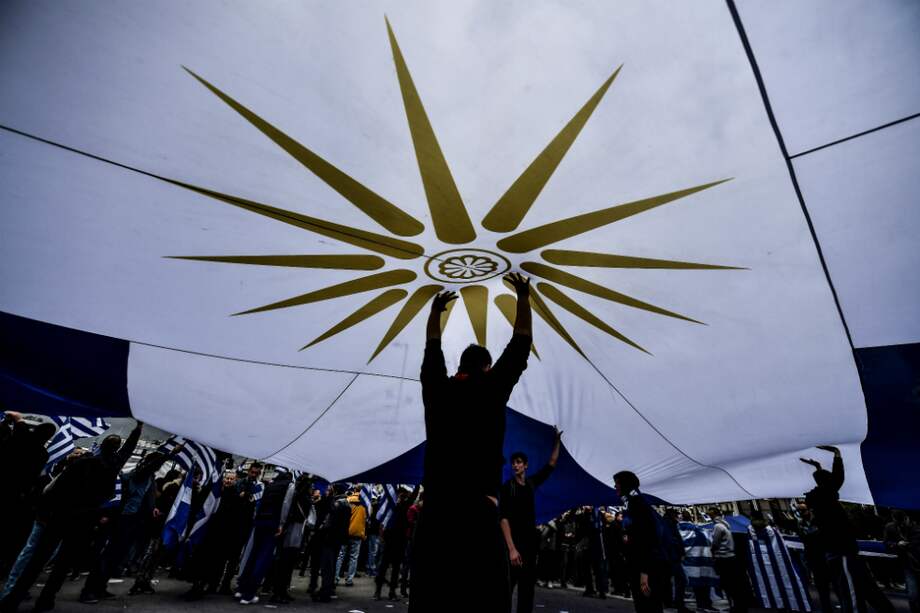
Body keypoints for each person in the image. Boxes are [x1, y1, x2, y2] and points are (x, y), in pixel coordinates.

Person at [410, 272, 533, 613]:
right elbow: (521, 341)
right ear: (488, 366)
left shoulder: (436, 390)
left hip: (435, 515)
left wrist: (435, 311)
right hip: (478, 515)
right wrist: (523, 296)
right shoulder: (492, 389)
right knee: (484, 600)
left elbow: (431, 349)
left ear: (460, 365)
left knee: (429, 598)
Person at [0, 421, 142, 613]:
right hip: (84, 522)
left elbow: (54, 490)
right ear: (116, 450)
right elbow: (128, 448)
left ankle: (13, 599)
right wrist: (138, 429)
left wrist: (45, 513)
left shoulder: (81, 463)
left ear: (101, 446)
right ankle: (46, 600)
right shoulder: (112, 468)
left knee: (36, 561)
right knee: (62, 565)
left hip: (59, 516)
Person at [801, 445, 894, 613]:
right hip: (842, 553)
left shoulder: (822, 501)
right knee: (853, 594)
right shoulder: (825, 499)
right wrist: (837, 455)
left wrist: (819, 468)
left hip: (844, 553)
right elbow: (836, 479)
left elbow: (830, 482)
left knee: (865, 590)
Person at [80, 448, 176, 604]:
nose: (158, 468)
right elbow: (147, 472)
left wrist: (152, 508)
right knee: (107, 556)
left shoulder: (149, 479)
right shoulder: (137, 475)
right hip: (123, 519)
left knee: (116, 557)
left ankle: (100, 587)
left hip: (135, 521)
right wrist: (169, 454)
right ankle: (88, 591)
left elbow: (146, 498)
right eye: (157, 464)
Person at [500, 427, 561, 612]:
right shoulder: (507, 487)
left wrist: (557, 440)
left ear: (525, 465)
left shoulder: (531, 483)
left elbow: (551, 464)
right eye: (513, 463)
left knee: (527, 591)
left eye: (519, 463)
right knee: (506, 589)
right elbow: (503, 519)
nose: (515, 465)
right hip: (513, 544)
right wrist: (511, 549)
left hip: (529, 544)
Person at [0, 412, 56, 576]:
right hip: (17, 495)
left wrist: (15, 418)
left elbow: (20, 425)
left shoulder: (23, 441)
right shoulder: (42, 454)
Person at [235, 469, 295, 605]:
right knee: (263, 559)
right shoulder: (289, 485)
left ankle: (241, 588)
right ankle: (248, 594)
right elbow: (285, 505)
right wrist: (281, 524)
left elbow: (260, 503)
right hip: (272, 523)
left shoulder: (270, 484)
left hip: (260, 522)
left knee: (253, 555)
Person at [614, 470, 668, 613]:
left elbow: (648, 538)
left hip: (646, 567)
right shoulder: (630, 504)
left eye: (617, 484)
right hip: (638, 564)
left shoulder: (638, 504)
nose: (615, 487)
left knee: (649, 605)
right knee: (642, 605)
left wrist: (645, 571)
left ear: (625, 485)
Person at [374, 486, 419, 602]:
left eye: (403, 495)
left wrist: (417, 484)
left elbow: (413, 495)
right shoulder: (392, 506)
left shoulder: (405, 506)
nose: (401, 497)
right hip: (391, 540)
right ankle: (379, 590)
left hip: (399, 542)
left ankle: (391, 592)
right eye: (400, 495)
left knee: (394, 568)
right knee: (384, 567)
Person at [314, 483, 351, 603]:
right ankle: (328, 589)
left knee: (327, 566)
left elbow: (329, 523)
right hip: (338, 539)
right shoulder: (347, 504)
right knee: (332, 564)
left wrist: (322, 530)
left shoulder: (336, 504)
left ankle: (325, 592)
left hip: (330, 538)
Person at [709, 506, 749, 613]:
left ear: (714, 515)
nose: (709, 516)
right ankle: (738, 606)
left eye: (710, 514)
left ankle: (735, 607)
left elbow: (715, 543)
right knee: (734, 583)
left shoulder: (717, 526)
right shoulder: (725, 524)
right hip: (731, 557)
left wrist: (712, 552)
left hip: (723, 559)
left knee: (728, 584)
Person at [797, 502, 835, 613]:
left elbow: (820, 535)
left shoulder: (818, 521)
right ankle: (827, 608)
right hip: (814, 558)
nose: (801, 513)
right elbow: (804, 537)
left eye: (803, 510)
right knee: (821, 586)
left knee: (835, 583)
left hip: (826, 556)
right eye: (799, 511)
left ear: (809, 510)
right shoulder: (801, 524)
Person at [884, 510, 920, 613]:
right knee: (913, 594)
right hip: (909, 564)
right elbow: (886, 543)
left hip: (914, 560)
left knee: (914, 594)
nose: (900, 524)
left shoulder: (916, 527)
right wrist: (897, 544)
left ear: (907, 518)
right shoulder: (891, 527)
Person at [334, 488, 367, 587]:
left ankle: (335, 578)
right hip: (358, 533)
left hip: (346, 532)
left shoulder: (348, 501)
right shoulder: (365, 503)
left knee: (340, 555)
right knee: (353, 558)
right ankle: (349, 580)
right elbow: (365, 519)